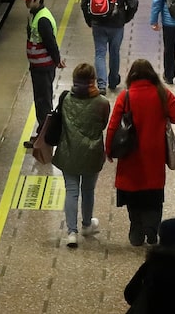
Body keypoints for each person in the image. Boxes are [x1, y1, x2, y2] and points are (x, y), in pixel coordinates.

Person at [104, 59, 175, 246]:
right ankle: (152, 229)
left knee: (133, 193)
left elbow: (113, 126)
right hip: (155, 155)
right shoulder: (162, 93)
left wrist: (108, 149)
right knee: (154, 194)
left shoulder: (125, 96)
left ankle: (136, 228)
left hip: (130, 154)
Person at [51, 63, 110, 248]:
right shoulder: (102, 102)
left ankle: (71, 232)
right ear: (93, 80)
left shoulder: (66, 99)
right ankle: (86, 225)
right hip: (92, 152)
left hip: (69, 151)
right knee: (88, 190)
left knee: (72, 191)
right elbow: (102, 124)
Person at [80, 0, 139, 94]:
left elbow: (84, 3)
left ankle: (101, 85)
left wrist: (90, 20)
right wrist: (125, 18)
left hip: (98, 24)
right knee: (114, 52)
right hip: (117, 25)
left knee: (100, 53)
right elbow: (133, 4)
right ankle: (113, 81)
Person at [19, 0, 65, 148]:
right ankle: (42, 134)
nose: (26, 3)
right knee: (40, 101)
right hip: (38, 66)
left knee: (43, 102)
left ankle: (45, 138)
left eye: (28, 0)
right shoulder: (34, 14)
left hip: (44, 67)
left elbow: (50, 42)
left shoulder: (43, 18)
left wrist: (57, 59)